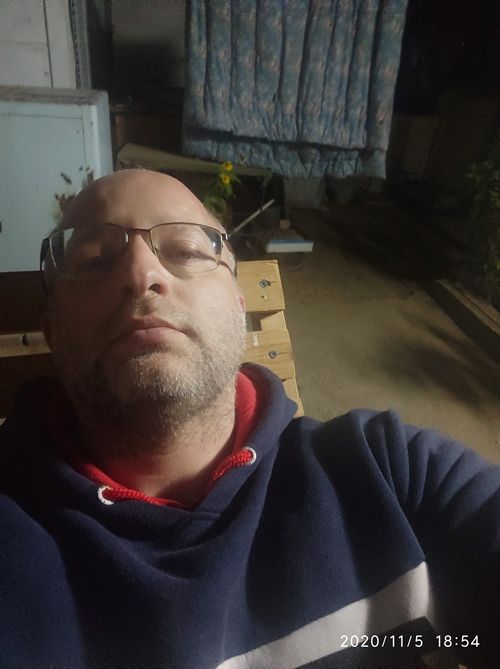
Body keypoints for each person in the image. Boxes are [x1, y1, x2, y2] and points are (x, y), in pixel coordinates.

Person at [1, 169, 498, 669]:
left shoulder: (393, 472)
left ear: (238, 308)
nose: (140, 273)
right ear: (53, 332)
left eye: (186, 251)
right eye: (93, 260)